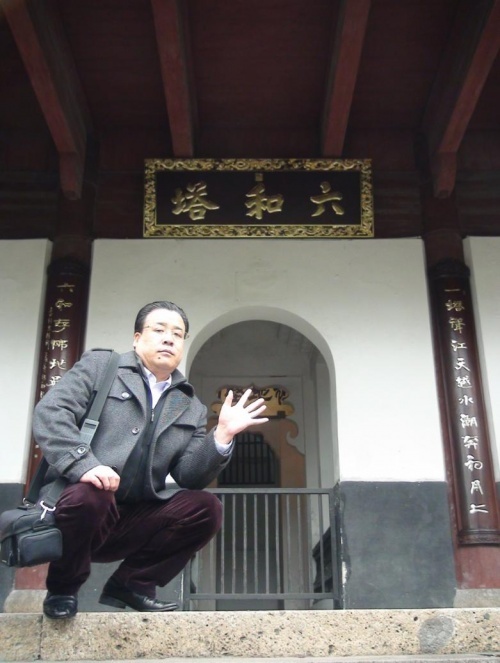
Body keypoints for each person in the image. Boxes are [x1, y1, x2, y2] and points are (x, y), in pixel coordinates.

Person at [32, 300, 268, 619]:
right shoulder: (102, 368)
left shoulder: (190, 406)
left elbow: (189, 476)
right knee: (92, 494)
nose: (169, 339)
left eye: (177, 334)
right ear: (137, 338)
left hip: (133, 520)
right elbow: (51, 413)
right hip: (80, 512)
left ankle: (133, 584)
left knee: (206, 508)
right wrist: (84, 465)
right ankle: (63, 589)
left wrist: (222, 436)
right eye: (159, 330)